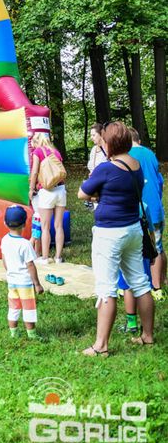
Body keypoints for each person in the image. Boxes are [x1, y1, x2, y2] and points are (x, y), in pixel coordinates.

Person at [78, 121, 155, 355]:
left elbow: (82, 193)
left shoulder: (105, 168)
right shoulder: (136, 166)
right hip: (133, 229)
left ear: (109, 143)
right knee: (140, 283)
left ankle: (101, 346)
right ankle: (147, 336)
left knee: (106, 288)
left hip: (109, 233)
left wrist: (97, 194)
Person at [128, 127, 165, 300]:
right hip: (156, 208)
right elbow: (160, 181)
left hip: (141, 210)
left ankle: (153, 287)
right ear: (139, 140)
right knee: (158, 247)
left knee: (145, 250)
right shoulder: (150, 154)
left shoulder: (128, 156)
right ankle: (161, 283)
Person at [1, 206, 44, 339]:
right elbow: (30, 265)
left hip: (12, 281)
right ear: (25, 224)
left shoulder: (4, 240)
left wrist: (10, 271)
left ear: (5, 223)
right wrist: (37, 284)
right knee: (28, 308)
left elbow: (4, 259)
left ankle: (13, 333)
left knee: (13, 307)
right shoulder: (25, 244)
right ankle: (32, 334)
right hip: (25, 283)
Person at [28, 132, 66, 264]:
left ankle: (44, 258)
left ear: (36, 141)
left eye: (33, 142)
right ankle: (58, 257)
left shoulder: (38, 152)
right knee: (59, 225)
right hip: (61, 190)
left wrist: (31, 189)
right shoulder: (56, 152)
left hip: (47, 191)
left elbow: (34, 172)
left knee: (45, 227)